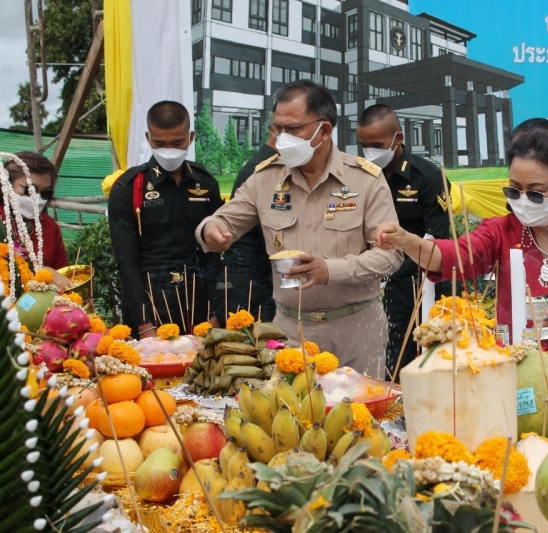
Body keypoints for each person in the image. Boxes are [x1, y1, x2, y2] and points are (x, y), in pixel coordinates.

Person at [376, 129, 548, 360]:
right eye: (514, 190)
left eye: (537, 193)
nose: (524, 201)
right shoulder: (501, 231)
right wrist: (406, 240)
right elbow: (453, 257)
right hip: (517, 371)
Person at [196, 80, 403, 376]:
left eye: (293, 129)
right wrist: (210, 229)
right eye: (277, 129)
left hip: (355, 330)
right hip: (291, 332)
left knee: (359, 418)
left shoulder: (365, 180)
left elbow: (390, 256)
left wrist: (330, 270)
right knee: (291, 420)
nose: (282, 138)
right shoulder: (265, 178)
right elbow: (224, 219)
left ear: (325, 130)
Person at [109, 101, 223, 338]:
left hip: (196, 297)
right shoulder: (129, 188)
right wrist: (144, 323)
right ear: (148, 137)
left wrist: (214, 311)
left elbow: (212, 256)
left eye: (177, 143)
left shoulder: (205, 183)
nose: (169, 150)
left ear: (190, 137)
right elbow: (126, 262)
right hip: (150, 299)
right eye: (160, 143)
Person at [356, 104, 451, 378]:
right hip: (369, 279)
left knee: (412, 358)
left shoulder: (427, 177)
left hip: (415, 283)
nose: (370, 153)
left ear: (398, 138)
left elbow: (438, 239)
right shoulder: (360, 175)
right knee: (381, 355)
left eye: (377, 145)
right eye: (364, 145)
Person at [215, 129, 278, 325]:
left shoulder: (274, 165)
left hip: (256, 278)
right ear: (275, 129)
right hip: (251, 283)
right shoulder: (263, 170)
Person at [2, 151, 72, 289]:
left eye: (45, 193)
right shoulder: (1, 220)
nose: (36, 198)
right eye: (30, 190)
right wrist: (45, 272)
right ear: (6, 184)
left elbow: (62, 273)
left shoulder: (50, 226)